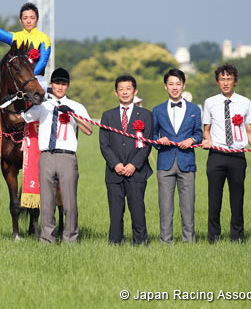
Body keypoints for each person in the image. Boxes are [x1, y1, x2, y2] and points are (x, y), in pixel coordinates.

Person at [17, 68, 92, 243]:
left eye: (64, 84)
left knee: (69, 202)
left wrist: (72, 114)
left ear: (68, 86)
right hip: (47, 156)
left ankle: (70, 238)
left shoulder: (77, 106)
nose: (60, 87)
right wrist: (14, 101)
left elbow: (88, 130)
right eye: (57, 83)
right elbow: (22, 118)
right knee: (47, 202)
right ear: (51, 85)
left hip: (67, 157)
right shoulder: (42, 106)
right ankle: (47, 238)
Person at [201, 64, 251, 243]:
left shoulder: (245, 102)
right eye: (222, 79)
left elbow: (249, 131)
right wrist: (208, 139)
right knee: (214, 199)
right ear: (217, 82)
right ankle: (214, 238)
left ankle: (237, 238)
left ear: (235, 81)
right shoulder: (210, 102)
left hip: (237, 156)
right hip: (216, 155)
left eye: (229, 79)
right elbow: (207, 129)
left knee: (237, 198)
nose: (225, 82)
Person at [99, 75, 153, 245]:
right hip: (114, 172)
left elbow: (146, 144)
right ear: (116, 93)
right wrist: (115, 164)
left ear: (135, 91)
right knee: (115, 211)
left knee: (137, 209)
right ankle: (115, 242)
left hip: (136, 172)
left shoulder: (145, 115)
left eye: (128, 88)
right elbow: (104, 144)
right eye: (121, 89)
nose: (125, 92)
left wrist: (133, 165)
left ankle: (140, 242)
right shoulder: (107, 115)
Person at [152, 69, 202, 243]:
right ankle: (166, 241)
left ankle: (189, 241)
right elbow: (151, 136)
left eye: (178, 84)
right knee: (165, 206)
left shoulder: (194, 109)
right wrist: (159, 140)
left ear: (184, 85)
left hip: (186, 162)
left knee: (188, 206)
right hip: (164, 163)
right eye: (171, 84)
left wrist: (192, 140)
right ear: (165, 86)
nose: (175, 87)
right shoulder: (157, 110)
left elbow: (199, 134)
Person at [0, 0, 51, 89]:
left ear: (37, 19)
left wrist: (29, 76)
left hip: (37, 80)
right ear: (20, 20)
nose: (28, 21)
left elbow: (43, 61)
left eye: (32, 18)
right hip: (18, 81)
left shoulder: (44, 38)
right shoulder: (16, 37)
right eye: (25, 18)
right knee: (1, 97)